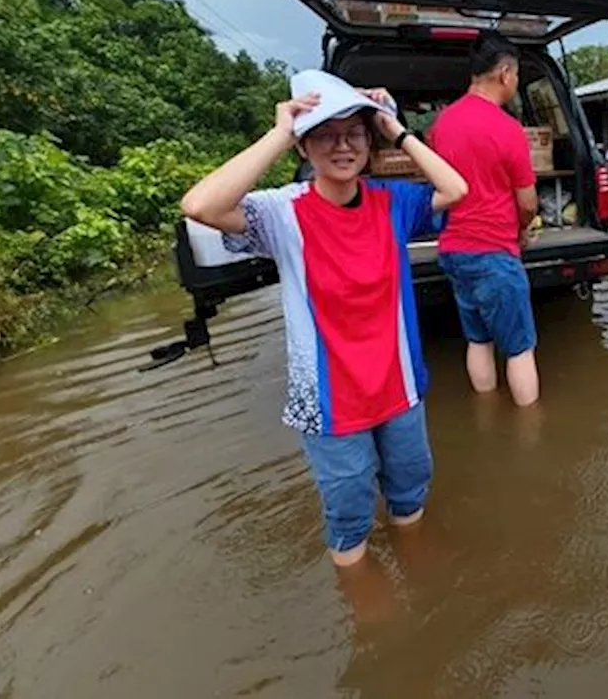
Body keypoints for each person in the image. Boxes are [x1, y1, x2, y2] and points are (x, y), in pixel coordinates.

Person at [180, 71, 468, 567]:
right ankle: (365, 611)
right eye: (325, 135)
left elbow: (455, 187)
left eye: (354, 134)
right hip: (329, 401)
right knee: (350, 514)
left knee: (410, 493)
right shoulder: (280, 213)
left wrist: (394, 128)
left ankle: (417, 574)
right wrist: (279, 132)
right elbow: (200, 206)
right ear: (303, 146)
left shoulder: (392, 201)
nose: (342, 147)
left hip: (398, 386)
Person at [428, 31, 541, 407]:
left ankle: (487, 414)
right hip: (494, 252)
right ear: (505, 73)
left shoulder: (442, 124)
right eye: (518, 76)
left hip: (454, 252)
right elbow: (527, 201)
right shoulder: (507, 128)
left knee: (478, 339)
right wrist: (523, 229)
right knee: (520, 349)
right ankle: (530, 437)